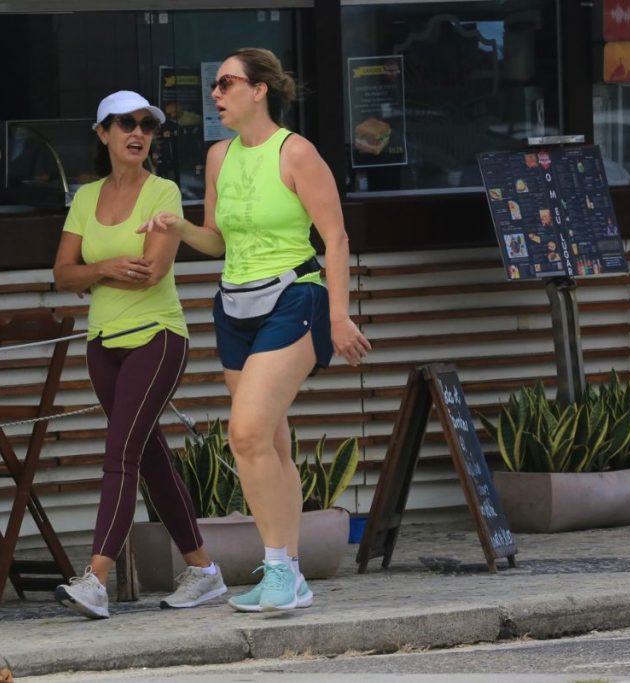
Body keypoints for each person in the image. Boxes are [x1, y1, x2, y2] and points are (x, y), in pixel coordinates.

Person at [140, 48, 371, 612]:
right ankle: (288, 573)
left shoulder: (296, 153)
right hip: (234, 304)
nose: (215, 94)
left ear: (261, 89)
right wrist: (178, 227)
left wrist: (339, 315)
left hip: (295, 297)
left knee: (244, 434)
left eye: (227, 83)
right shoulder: (219, 156)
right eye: (215, 85)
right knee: (268, 443)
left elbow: (335, 239)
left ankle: (275, 569)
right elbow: (218, 241)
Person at [52, 90, 226, 619]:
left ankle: (95, 580)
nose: (138, 133)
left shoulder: (164, 192)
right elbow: (62, 275)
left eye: (148, 125)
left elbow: (151, 271)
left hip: (157, 336)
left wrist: (93, 272)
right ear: (102, 132)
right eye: (125, 123)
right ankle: (203, 569)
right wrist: (104, 270)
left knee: (120, 452)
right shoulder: (85, 197)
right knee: (148, 456)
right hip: (102, 342)